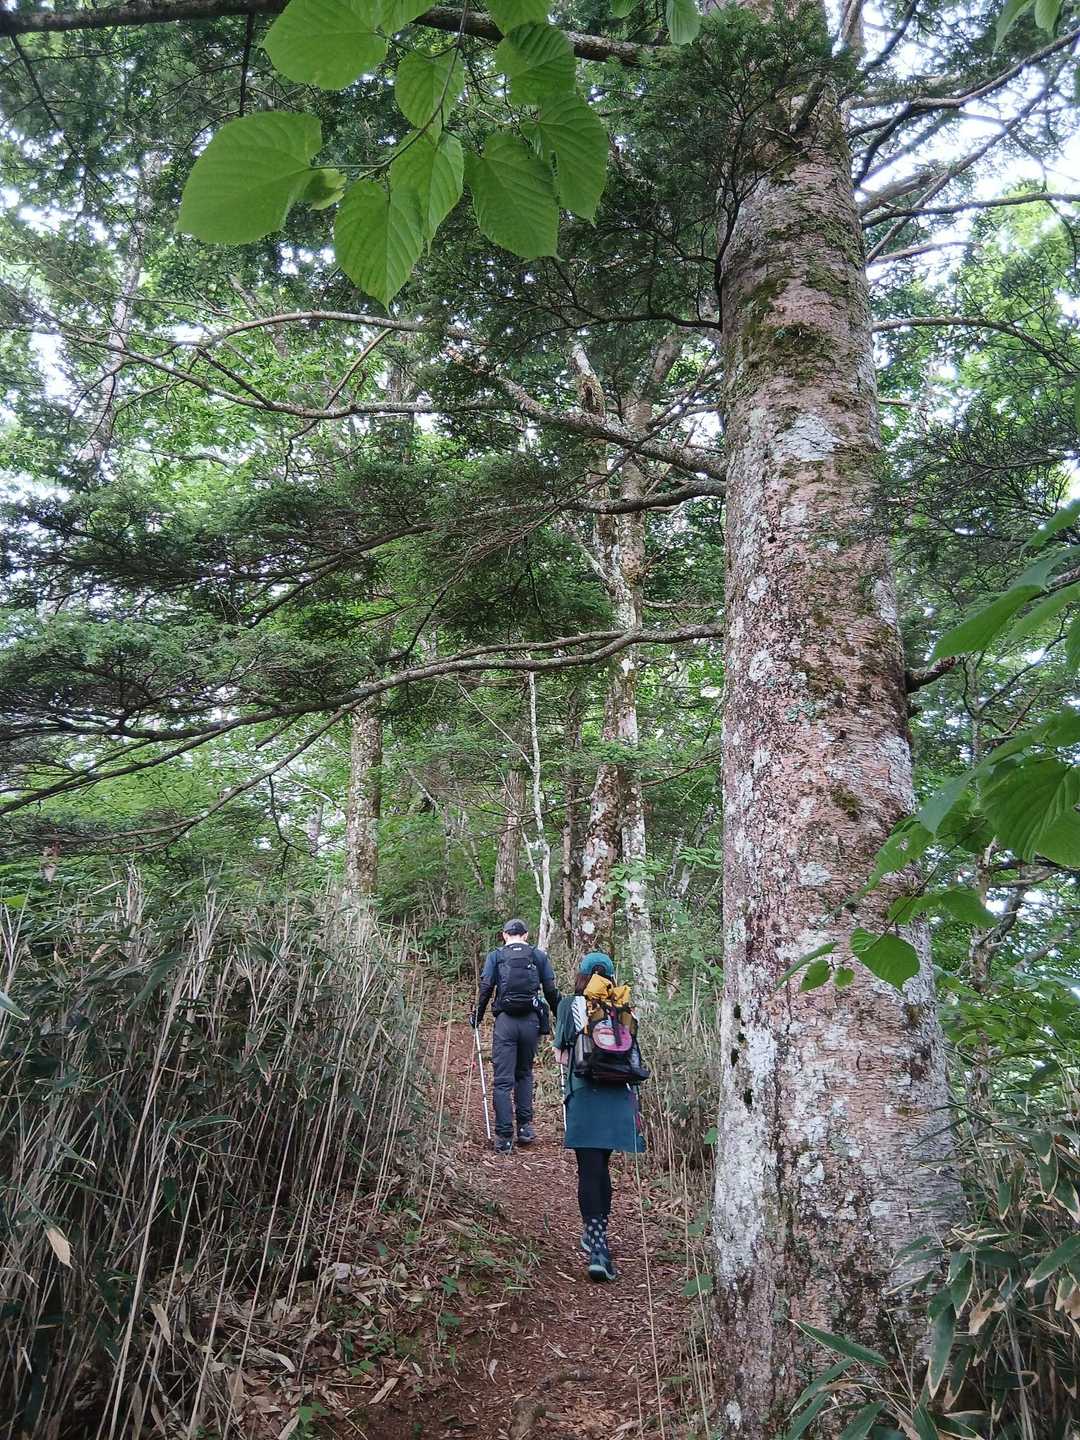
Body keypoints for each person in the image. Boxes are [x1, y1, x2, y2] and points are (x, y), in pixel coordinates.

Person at [553, 951, 645, 1283]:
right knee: (602, 1167)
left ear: (582, 976)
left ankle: (597, 1246)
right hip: (619, 1095)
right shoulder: (623, 1006)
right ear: (610, 977)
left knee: (589, 1169)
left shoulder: (569, 1005)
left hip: (584, 1093)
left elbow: (562, 1056)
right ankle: (598, 1235)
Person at [471, 918, 560, 1155]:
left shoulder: (496, 956)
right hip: (530, 1021)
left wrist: (477, 1016)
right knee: (524, 1073)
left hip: (506, 1022)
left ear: (504, 935)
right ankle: (525, 1128)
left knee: (503, 1080)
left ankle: (504, 1138)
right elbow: (551, 990)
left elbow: (486, 987)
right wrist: (559, 1014)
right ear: (526, 935)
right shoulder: (538, 956)